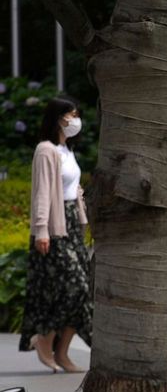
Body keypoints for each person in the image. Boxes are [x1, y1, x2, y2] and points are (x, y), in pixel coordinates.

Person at [18, 96, 93, 373]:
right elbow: (42, 192)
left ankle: (61, 353)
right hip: (53, 227)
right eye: (70, 115)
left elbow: (73, 190)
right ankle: (44, 340)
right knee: (72, 287)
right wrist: (41, 230)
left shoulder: (67, 150)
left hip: (72, 225)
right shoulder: (45, 150)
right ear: (58, 118)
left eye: (76, 114)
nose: (75, 120)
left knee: (82, 292)